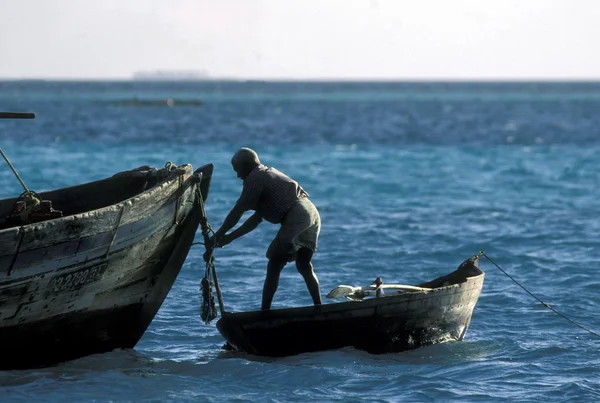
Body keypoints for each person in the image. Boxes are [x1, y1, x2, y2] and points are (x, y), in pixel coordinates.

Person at [210, 147, 322, 310]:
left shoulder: (255, 178)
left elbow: (238, 210)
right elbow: (255, 220)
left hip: (297, 216)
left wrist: (219, 234)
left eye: (238, 170)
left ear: (247, 166)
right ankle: (319, 307)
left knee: (275, 263)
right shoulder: (267, 174)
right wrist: (228, 238)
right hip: (311, 213)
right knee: (304, 264)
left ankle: (265, 312)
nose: (238, 175)